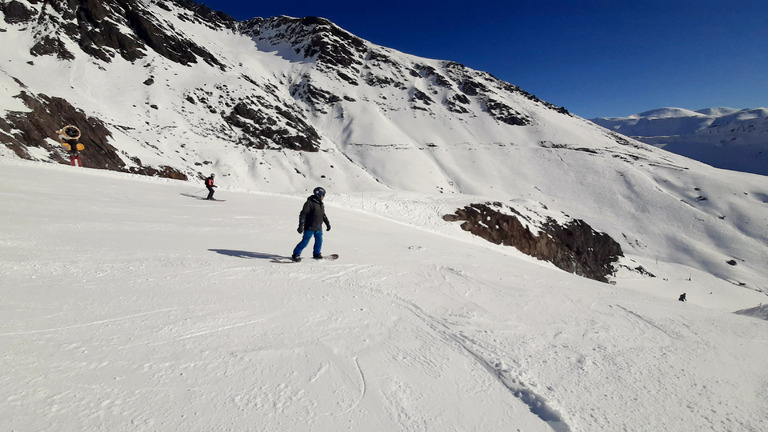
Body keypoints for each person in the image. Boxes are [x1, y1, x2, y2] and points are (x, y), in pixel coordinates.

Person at [292, 187, 331, 261]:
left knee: (319, 240)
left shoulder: (320, 204)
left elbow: (323, 215)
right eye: (323, 195)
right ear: (318, 195)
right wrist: (301, 226)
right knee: (305, 242)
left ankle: (316, 253)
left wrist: (327, 224)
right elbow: (303, 215)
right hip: (310, 227)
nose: (324, 196)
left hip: (318, 227)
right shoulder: (309, 203)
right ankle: (296, 254)